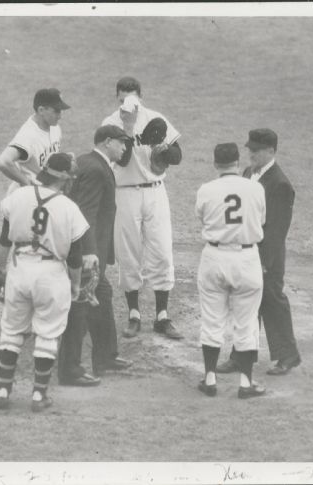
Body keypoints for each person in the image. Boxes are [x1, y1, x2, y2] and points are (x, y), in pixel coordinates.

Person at [0, 152, 89, 412]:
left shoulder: (18, 196)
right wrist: (76, 285)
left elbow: (4, 240)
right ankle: (38, 396)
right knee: (47, 333)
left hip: (19, 268)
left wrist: (0, 270)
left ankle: (3, 390)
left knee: (11, 331)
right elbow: (76, 256)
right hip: (50, 274)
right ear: (64, 179)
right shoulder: (70, 208)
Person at [101, 76, 184, 340]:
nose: (127, 102)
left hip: (155, 192)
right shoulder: (109, 125)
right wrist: (126, 128)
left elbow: (177, 156)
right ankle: (134, 314)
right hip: (124, 194)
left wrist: (164, 150)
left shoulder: (155, 118)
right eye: (122, 97)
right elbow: (123, 161)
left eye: (131, 97)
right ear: (117, 98)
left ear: (140, 96)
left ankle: (162, 316)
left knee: (162, 250)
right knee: (129, 253)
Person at [216, 129, 301, 376]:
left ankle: (288, 356)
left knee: (273, 303)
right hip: (247, 251)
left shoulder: (280, 184)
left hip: (267, 258)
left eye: (256, 150)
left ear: (271, 151)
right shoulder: (248, 173)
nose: (250, 153)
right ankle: (241, 356)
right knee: (247, 306)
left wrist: (264, 262)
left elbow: (277, 229)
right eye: (250, 149)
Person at [58, 125, 134, 386]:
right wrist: (89, 253)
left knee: (102, 295)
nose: (125, 148)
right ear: (107, 142)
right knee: (81, 305)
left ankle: (105, 356)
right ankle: (71, 369)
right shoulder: (95, 168)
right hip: (86, 252)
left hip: (89, 250)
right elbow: (85, 214)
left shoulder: (89, 163)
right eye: (121, 143)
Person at [195, 143, 267, 398]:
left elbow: (202, 218)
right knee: (247, 324)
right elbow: (261, 221)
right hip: (247, 258)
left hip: (215, 256)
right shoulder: (256, 188)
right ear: (237, 162)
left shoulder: (206, 190)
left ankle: (210, 379)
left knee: (212, 320)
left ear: (216, 164)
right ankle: (246, 384)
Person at [0, 88, 71, 274]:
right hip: (27, 194)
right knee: (11, 232)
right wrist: (26, 183)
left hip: (47, 191)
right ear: (41, 109)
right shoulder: (28, 135)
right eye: (56, 111)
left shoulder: (54, 128)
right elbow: (3, 162)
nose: (60, 115)